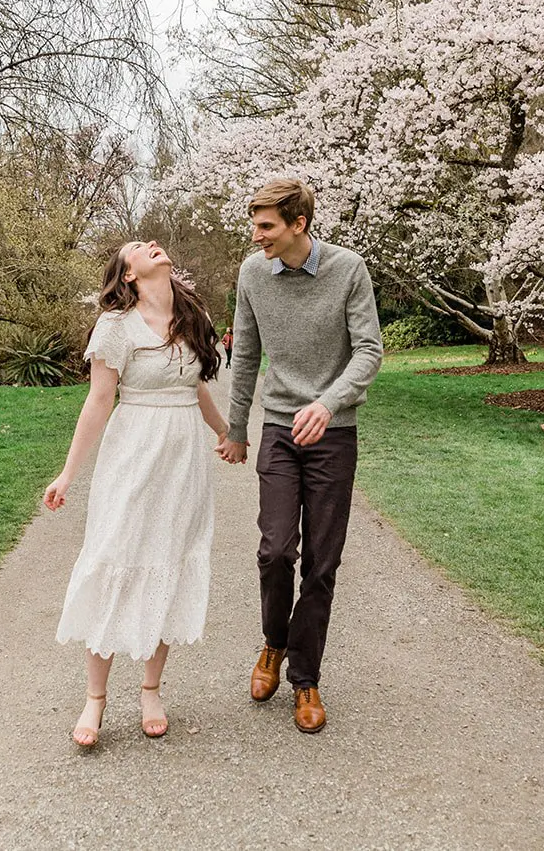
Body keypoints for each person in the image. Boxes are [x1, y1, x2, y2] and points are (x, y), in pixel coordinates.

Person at [45, 240, 229, 749]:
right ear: (128, 274)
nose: (152, 245)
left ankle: (151, 690)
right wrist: (66, 475)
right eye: (138, 248)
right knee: (114, 560)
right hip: (131, 456)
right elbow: (98, 402)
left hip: (181, 463)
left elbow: (195, 389)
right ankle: (95, 699)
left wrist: (226, 432)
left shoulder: (193, 317)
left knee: (167, 563)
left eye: (153, 243)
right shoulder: (116, 326)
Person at [216, 179, 382, 734]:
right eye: (255, 224)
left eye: (266, 225)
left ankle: (306, 677)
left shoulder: (348, 270)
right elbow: (245, 355)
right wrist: (237, 427)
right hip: (280, 431)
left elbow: (369, 351)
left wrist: (330, 403)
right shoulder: (251, 274)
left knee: (322, 563)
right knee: (275, 549)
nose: (256, 235)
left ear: (298, 225)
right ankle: (274, 643)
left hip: (333, 434)